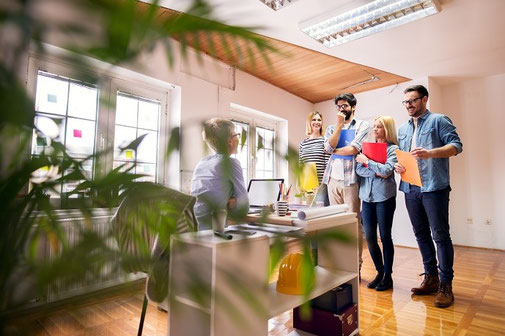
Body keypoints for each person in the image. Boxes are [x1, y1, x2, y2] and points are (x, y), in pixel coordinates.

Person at [394, 85, 463, 308]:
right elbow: (404, 156)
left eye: (412, 101)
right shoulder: (403, 129)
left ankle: (446, 285)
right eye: (405, 102)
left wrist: (430, 153)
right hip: (410, 187)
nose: (409, 105)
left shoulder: (439, 120)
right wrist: (399, 166)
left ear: (424, 99)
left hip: (434, 188)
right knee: (421, 235)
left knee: (440, 236)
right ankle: (431, 278)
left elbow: (456, 146)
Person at [323, 93, 370, 272]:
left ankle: (355, 265)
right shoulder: (332, 127)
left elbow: (354, 149)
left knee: (353, 222)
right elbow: (327, 148)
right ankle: (341, 263)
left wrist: (334, 149)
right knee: (337, 222)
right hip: (331, 180)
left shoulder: (363, 125)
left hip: (350, 181)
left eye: (344, 106)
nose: (341, 109)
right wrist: (339, 126)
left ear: (353, 107)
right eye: (338, 106)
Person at [355, 116, 398, 291]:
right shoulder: (367, 148)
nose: (375, 129)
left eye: (379, 127)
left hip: (384, 197)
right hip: (366, 197)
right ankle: (380, 272)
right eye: (374, 126)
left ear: (387, 129)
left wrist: (367, 163)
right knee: (370, 237)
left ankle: (388, 276)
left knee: (385, 236)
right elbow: (359, 170)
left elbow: (387, 171)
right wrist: (375, 169)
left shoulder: (393, 149)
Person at [190, 118, 249, 231]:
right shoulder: (231, 163)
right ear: (229, 141)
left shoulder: (202, 163)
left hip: (195, 228)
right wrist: (235, 203)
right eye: (236, 134)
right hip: (212, 232)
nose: (238, 138)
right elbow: (243, 208)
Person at [299, 111, 331, 184]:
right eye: (314, 120)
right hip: (306, 183)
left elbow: (328, 166)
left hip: (321, 184)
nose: (317, 122)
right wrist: (299, 184)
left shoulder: (325, 141)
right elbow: (301, 165)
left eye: (319, 120)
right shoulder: (303, 143)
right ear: (309, 122)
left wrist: (321, 186)